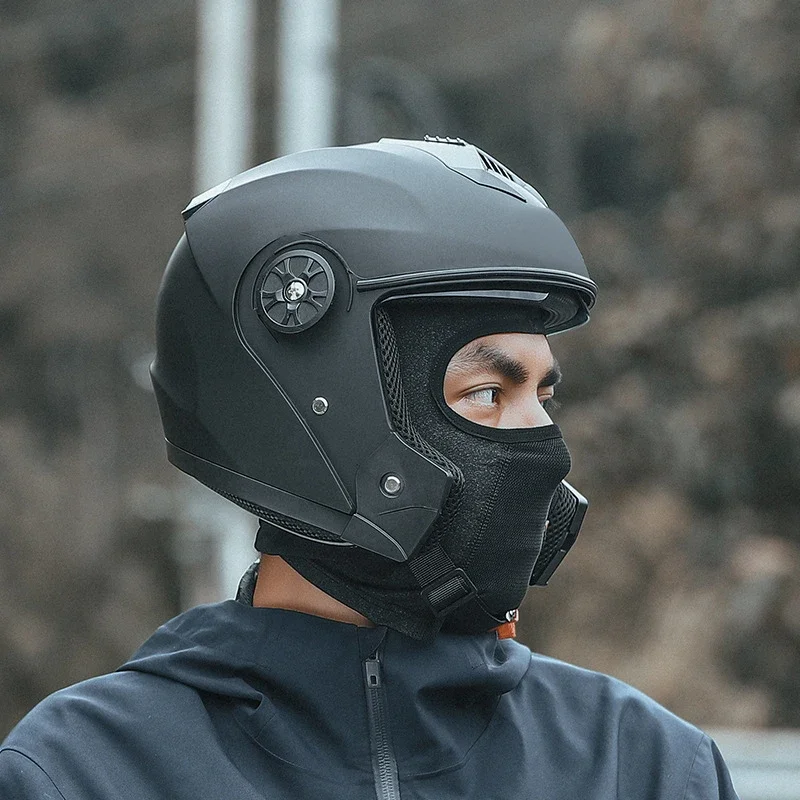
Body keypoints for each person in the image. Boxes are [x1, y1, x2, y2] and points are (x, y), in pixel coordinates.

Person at [0, 137, 739, 798]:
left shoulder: (644, 767)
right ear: (315, 411)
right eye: (488, 393)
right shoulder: (87, 772)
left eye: (542, 397)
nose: (546, 448)